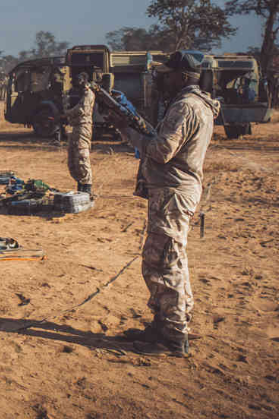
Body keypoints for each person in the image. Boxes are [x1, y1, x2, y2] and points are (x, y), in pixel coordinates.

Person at [106, 51, 220, 357]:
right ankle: (168, 323)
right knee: (173, 259)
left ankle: (171, 336)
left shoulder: (185, 106)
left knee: (162, 262)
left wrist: (129, 132)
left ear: (183, 77)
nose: (161, 79)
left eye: (167, 74)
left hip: (173, 192)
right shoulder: (199, 103)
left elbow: (161, 151)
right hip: (176, 190)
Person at [66, 71, 95, 194]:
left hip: (83, 127)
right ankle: (81, 188)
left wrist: (67, 112)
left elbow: (82, 109)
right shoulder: (76, 94)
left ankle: (87, 190)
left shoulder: (88, 94)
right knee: (73, 160)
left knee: (82, 158)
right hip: (75, 127)